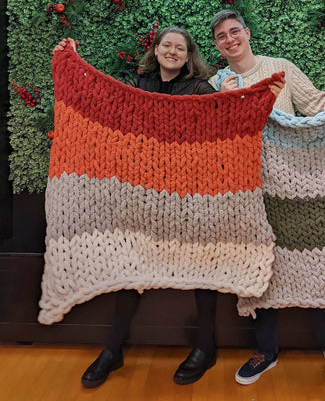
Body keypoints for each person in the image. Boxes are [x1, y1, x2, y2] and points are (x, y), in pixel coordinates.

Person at [53, 26, 285, 388]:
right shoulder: (136, 86)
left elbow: (222, 128)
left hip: (192, 200)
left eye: (180, 47)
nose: (173, 51)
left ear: (188, 54)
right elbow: (110, 123)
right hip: (139, 203)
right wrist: (69, 63)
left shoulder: (200, 89)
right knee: (128, 269)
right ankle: (113, 350)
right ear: (157, 50)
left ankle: (205, 347)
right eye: (167, 45)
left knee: (201, 269)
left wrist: (246, 98)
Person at [209, 9, 325, 392]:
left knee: (314, 263)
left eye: (234, 31)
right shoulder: (218, 81)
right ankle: (266, 350)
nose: (229, 39)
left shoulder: (280, 68)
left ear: (247, 33)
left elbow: (316, 102)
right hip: (249, 190)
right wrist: (223, 102)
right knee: (260, 270)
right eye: (221, 36)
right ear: (218, 46)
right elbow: (216, 137)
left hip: (295, 185)